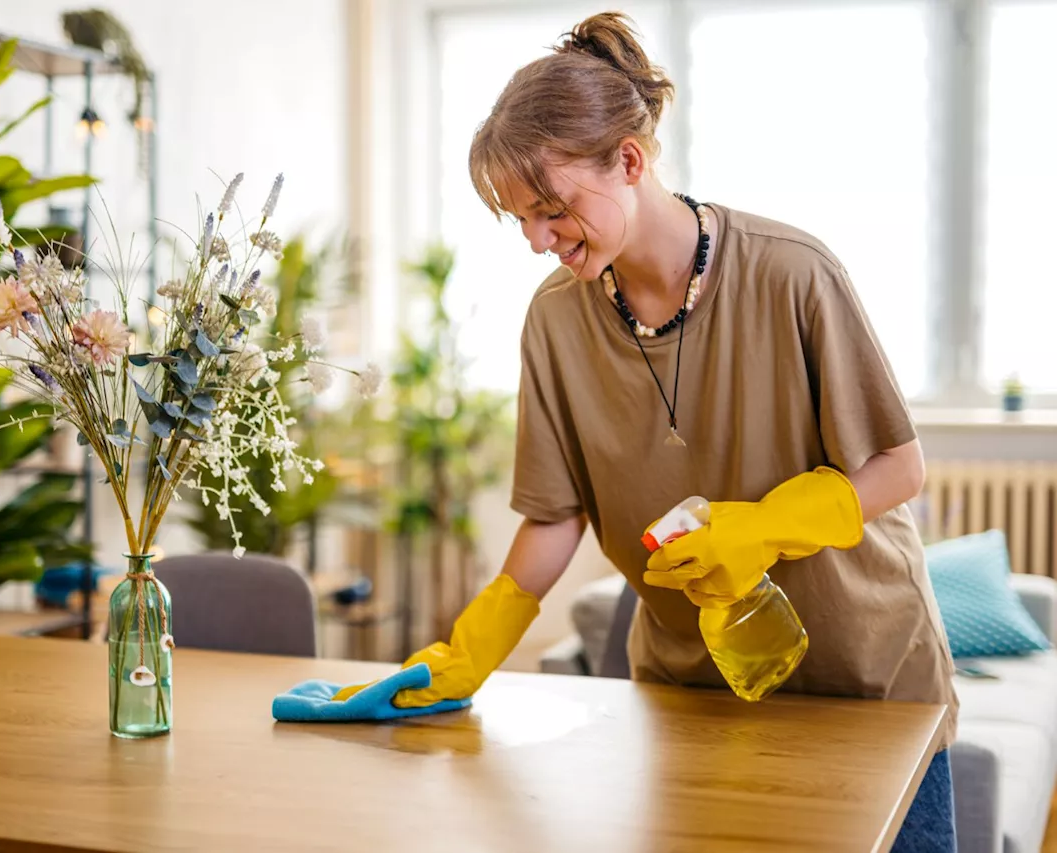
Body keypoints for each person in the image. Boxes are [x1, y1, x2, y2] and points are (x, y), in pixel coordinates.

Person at [335, 11, 958, 850]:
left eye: (551, 208)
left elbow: (898, 464)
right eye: (519, 219)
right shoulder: (556, 320)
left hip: (866, 688)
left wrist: (768, 527)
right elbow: (556, 513)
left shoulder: (792, 272)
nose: (536, 240)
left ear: (629, 160)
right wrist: (472, 644)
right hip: (689, 694)